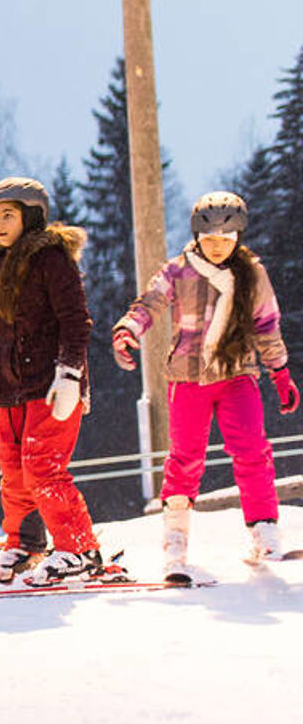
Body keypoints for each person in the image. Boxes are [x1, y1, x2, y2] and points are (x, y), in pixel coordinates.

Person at [112, 191, 296, 577]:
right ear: (197, 236)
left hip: (237, 374)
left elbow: (266, 325)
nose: (217, 247)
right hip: (188, 377)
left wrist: (279, 372)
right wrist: (129, 330)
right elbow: (149, 304)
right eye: (210, 239)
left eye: (226, 240)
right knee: (185, 457)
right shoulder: (177, 271)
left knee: (252, 450)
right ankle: (176, 539)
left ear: (238, 238)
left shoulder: (252, 275)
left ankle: (265, 530)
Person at [0, 177, 104, 586]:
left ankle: (80, 549)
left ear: (31, 216)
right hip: (9, 387)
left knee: (43, 467)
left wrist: (70, 374)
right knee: (14, 471)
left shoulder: (52, 259)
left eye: (8, 215)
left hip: (53, 385)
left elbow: (76, 322)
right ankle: (25, 542)